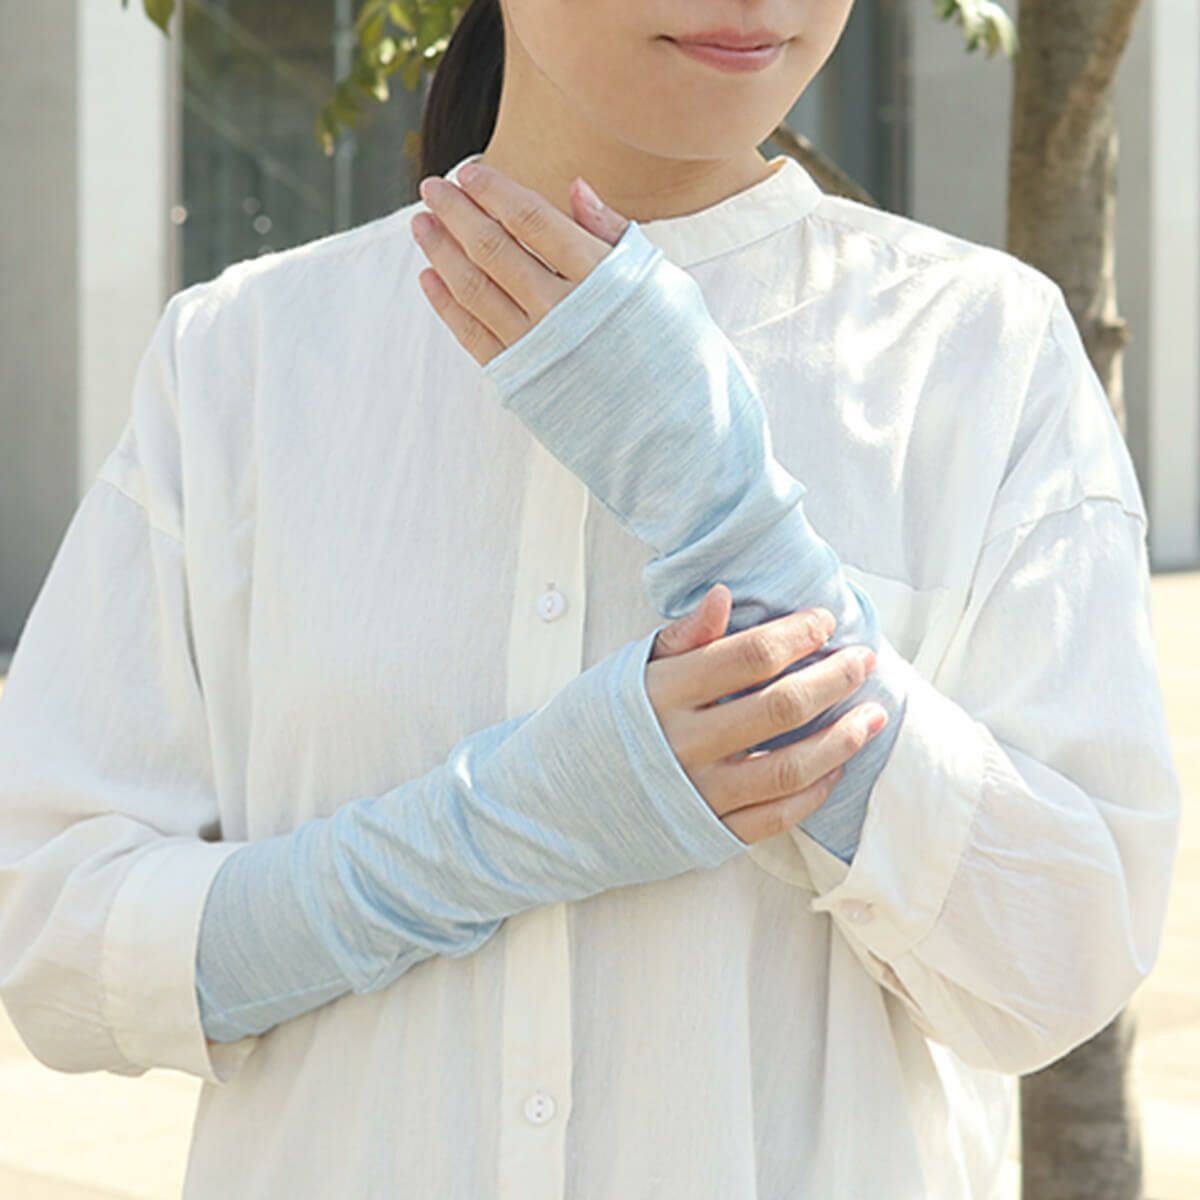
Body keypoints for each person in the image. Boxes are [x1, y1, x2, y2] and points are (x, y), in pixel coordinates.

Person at [0, 0, 1181, 1196]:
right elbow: (50, 935)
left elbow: (1057, 970)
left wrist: (727, 516)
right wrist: (492, 834)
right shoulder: (245, 360)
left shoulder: (981, 352)